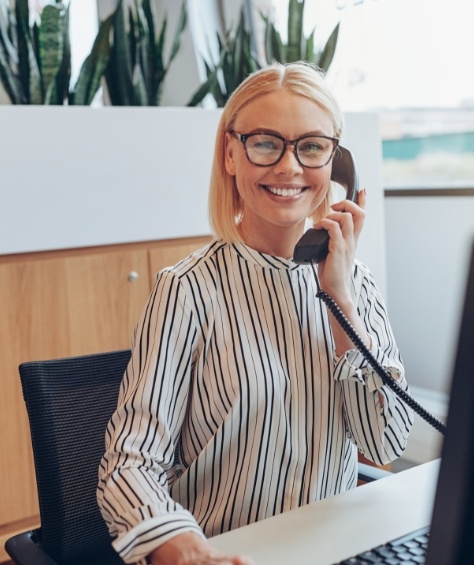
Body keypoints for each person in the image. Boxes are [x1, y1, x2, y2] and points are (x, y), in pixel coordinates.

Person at [97, 61, 414, 565]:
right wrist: (183, 549)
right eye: (266, 143)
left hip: (332, 546)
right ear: (230, 153)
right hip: (225, 552)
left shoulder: (355, 282)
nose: (290, 168)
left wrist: (340, 304)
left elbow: (386, 440)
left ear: (337, 161)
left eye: (311, 146)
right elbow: (130, 463)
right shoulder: (187, 289)